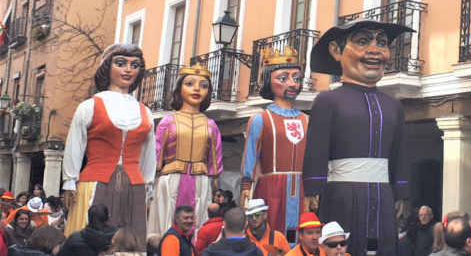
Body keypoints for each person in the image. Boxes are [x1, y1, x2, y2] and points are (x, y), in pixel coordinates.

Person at [303, 19, 413, 256]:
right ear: (336, 51)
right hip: (340, 193)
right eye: (363, 42)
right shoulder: (327, 101)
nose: (375, 50)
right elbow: (316, 149)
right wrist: (313, 188)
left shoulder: (394, 106)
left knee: (383, 245)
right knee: (342, 244)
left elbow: (399, 152)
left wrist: (400, 189)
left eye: (382, 43)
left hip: (384, 193)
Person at [62, 43, 154, 238]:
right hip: (95, 182)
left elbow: (148, 153)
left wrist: (148, 184)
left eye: (135, 65)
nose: (128, 70)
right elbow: (75, 145)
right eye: (121, 63)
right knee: (92, 236)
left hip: (134, 186)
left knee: (129, 239)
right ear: (107, 67)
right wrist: (70, 180)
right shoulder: (89, 106)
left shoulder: (145, 112)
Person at [148, 63, 224, 236]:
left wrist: (214, 178)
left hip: (200, 180)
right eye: (189, 83)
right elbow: (156, 153)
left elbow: (214, 156)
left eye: (203, 86)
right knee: (169, 220)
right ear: (179, 88)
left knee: (198, 220)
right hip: (171, 179)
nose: (196, 89)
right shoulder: (168, 121)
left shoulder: (210, 125)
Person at [241, 48, 309, 238]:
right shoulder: (260, 119)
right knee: (272, 235)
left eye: (296, 78)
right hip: (271, 187)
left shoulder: (307, 120)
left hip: (301, 188)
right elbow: (250, 156)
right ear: (268, 81)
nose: (292, 83)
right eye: (283, 78)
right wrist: (246, 185)